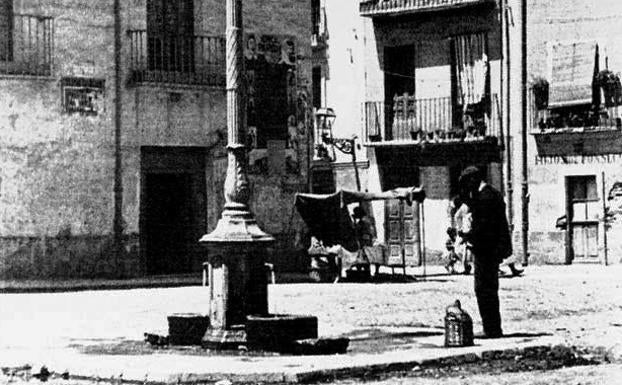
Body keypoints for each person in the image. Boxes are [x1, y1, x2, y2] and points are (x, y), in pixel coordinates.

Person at [458, 166, 512, 338]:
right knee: (489, 289)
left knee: (483, 289)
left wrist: (467, 235)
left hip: (486, 250)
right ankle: (493, 327)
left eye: (468, 183)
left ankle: (492, 329)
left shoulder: (485, 198)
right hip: (492, 249)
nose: (467, 187)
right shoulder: (490, 194)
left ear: (474, 180)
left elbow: (484, 228)